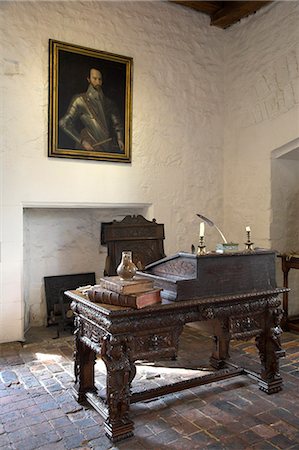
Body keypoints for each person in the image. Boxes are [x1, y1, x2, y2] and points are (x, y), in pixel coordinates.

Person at [59, 68, 124, 153]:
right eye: (94, 78)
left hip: (108, 148)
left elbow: (117, 124)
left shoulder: (109, 103)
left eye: (100, 79)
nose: (98, 82)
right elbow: (64, 123)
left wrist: (120, 139)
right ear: (88, 79)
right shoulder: (80, 100)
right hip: (90, 146)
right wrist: (82, 141)